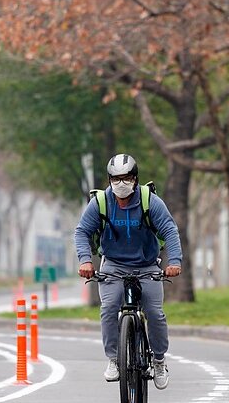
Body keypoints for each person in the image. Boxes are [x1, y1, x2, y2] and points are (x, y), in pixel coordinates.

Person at [74, 153, 183, 390]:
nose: (120, 183)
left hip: (147, 265)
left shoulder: (150, 201)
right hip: (113, 264)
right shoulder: (101, 203)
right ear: (109, 179)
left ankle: (159, 360)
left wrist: (174, 261)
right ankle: (114, 359)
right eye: (115, 178)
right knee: (109, 307)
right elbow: (82, 231)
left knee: (154, 312)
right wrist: (85, 261)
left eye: (126, 178)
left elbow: (170, 231)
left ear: (135, 179)